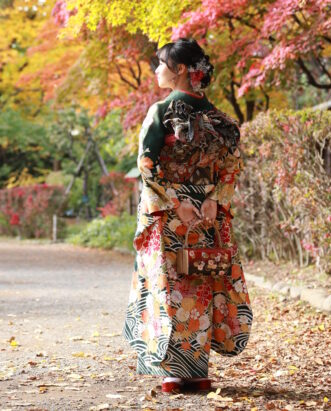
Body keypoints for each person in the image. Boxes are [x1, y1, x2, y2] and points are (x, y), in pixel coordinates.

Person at [122, 38, 253, 394]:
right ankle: (198, 372)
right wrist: (215, 200)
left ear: (181, 69)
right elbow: (232, 166)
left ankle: (174, 371)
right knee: (202, 281)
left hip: (171, 213)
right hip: (209, 215)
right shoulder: (220, 119)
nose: (157, 70)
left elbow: (147, 164)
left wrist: (174, 201)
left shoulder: (161, 111)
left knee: (173, 286)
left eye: (162, 63)